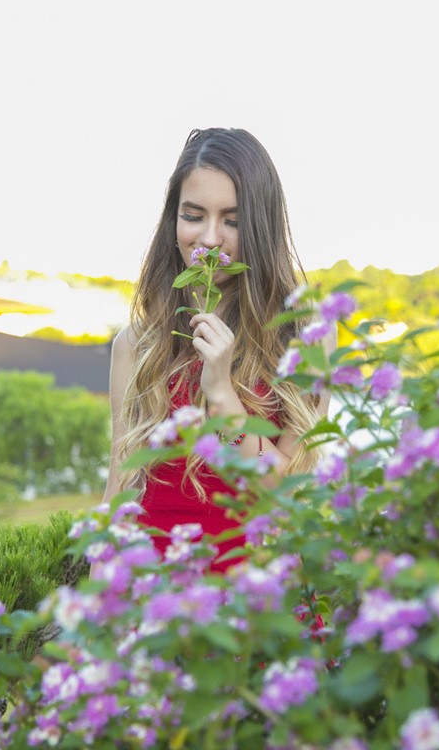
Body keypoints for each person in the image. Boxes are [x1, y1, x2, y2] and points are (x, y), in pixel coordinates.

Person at [103, 128, 330, 572]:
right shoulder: (137, 345)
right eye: (193, 216)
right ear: (173, 220)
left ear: (261, 227)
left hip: (253, 590)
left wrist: (223, 395)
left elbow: (284, 496)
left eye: (232, 221)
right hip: (155, 587)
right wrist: (99, 600)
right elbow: (120, 488)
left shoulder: (304, 336)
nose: (209, 239)